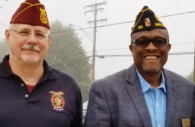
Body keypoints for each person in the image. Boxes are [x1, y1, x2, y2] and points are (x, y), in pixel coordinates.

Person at [84, 6, 195, 127]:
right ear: (132, 49)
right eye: (142, 42)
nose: (151, 47)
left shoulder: (188, 90)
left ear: (168, 48)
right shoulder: (105, 91)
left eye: (159, 41)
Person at [0, 0, 82, 126]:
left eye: (39, 34)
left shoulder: (68, 86)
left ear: (48, 41)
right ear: (8, 36)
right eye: (24, 32)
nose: (32, 40)